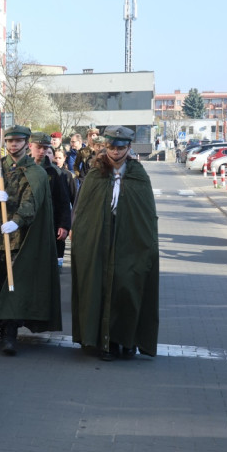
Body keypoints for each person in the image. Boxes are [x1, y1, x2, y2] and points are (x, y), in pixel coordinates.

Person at [0, 125, 61, 356]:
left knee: (12, 289)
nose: (13, 145)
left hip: (18, 242)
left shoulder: (35, 172)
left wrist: (18, 220)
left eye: (18, 141)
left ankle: (9, 334)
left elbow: (32, 201)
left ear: (27, 143)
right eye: (9, 141)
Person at [71, 126, 159, 360]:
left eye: (121, 148)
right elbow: (83, 211)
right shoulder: (95, 173)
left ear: (129, 148)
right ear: (105, 146)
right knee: (99, 287)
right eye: (111, 147)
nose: (116, 152)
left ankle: (125, 340)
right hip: (100, 239)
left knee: (127, 287)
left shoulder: (138, 175)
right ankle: (103, 342)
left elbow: (146, 214)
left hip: (129, 241)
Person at [29, 133, 72, 267]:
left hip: (50, 222)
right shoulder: (21, 169)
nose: (42, 151)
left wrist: (64, 225)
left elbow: (64, 201)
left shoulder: (55, 172)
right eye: (38, 147)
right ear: (30, 146)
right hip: (27, 223)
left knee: (48, 264)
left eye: (45, 148)